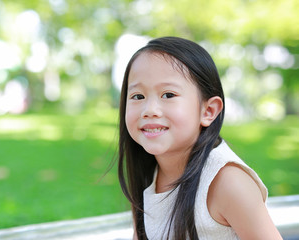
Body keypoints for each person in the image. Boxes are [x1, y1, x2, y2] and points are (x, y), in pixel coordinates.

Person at [117, 37, 282, 240]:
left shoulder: (227, 183)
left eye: (168, 95)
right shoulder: (149, 174)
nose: (149, 110)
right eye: (138, 96)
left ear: (208, 111)